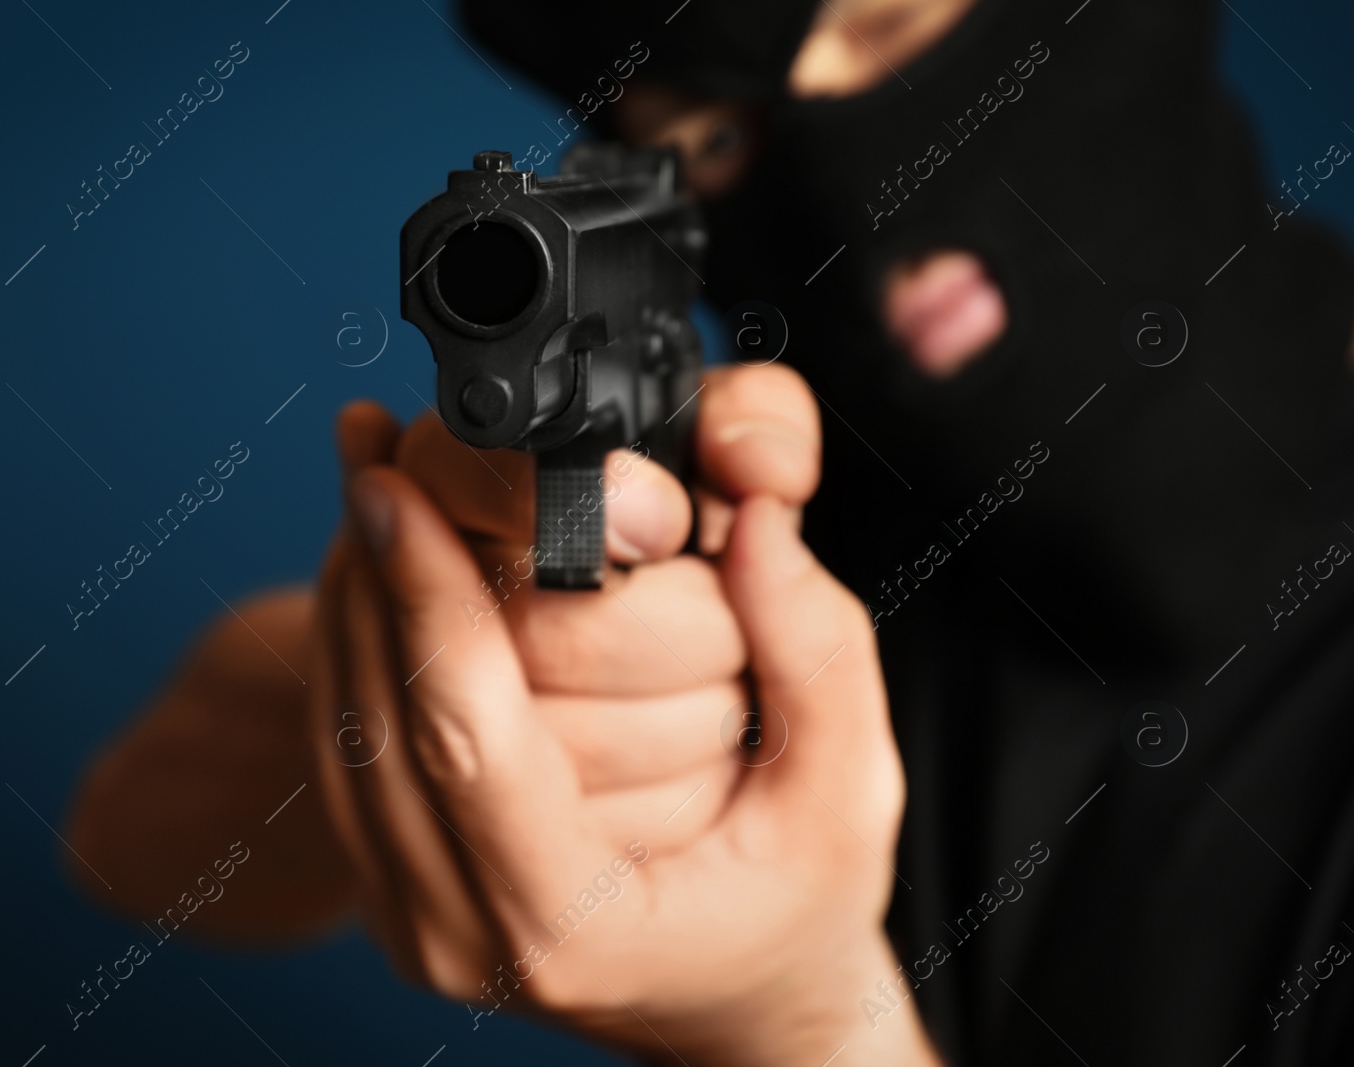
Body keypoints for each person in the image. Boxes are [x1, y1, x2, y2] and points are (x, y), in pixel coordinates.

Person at [66, 0, 1354, 1062]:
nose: (847, 178)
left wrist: (791, 1025)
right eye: (720, 135)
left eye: (895, 29)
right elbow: (129, 832)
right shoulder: (780, 521)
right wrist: (437, 662)